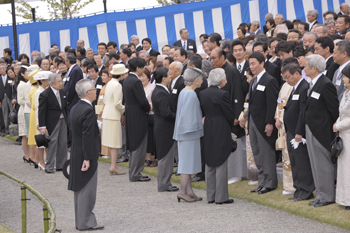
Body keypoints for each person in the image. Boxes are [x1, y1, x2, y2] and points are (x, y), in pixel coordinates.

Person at [304, 54, 339, 207]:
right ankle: (320, 194)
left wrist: (333, 130)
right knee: (315, 163)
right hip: (311, 128)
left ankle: (327, 196)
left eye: (305, 66)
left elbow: (333, 110)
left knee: (323, 164)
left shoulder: (325, 84)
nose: (303, 69)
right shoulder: (313, 83)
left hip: (322, 130)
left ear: (314, 68)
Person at [68, 79, 103, 231]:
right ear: (88, 93)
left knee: (81, 189)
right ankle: (86, 222)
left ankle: (81, 220)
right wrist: (88, 158)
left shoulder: (75, 107)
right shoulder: (87, 110)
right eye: (94, 89)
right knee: (87, 189)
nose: (96, 91)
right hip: (85, 153)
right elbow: (88, 136)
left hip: (77, 150)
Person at [243, 52, 279, 194]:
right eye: (250, 64)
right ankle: (262, 181)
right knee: (257, 152)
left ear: (262, 63)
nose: (251, 66)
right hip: (253, 121)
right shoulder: (253, 81)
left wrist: (269, 123)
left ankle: (270, 182)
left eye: (253, 63)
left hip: (264, 122)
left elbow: (272, 104)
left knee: (266, 153)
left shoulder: (269, 80)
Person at [199, 68, 235, 204]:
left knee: (210, 158)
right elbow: (229, 113)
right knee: (221, 159)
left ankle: (211, 195)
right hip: (220, 126)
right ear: (222, 79)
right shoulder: (223, 94)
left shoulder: (203, 93)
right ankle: (221, 197)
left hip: (208, 124)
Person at [282, 63, 315, 200]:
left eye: (288, 77)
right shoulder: (295, 88)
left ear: (297, 74)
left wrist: (299, 132)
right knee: (294, 161)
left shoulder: (303, 87)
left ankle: (306, 190)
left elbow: (302, 112)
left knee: (301, 162)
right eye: (284, 78)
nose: (286, 80)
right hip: (291, 130)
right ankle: (298, 189)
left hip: (298, 132)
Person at [173, 67, 204, 203]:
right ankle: (182, 191)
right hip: (188, 134)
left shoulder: (184, 91)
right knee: (186, 164)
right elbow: (188, 117)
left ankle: (189, 191)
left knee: (189, 162)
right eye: (201, 79)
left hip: (185, 133)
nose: (202, 82)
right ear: (196, 80)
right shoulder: (190, 94)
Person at [122, 58, 151, 182]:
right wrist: (148, 107)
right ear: (138, 68)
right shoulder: (135, 81)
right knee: (139, 143)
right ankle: (135, 173)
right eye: (143, 67)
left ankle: (133, 171)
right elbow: (142, 100)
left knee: (133, 144)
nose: (144, 69)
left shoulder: (127, 79)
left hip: (130, 113)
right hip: (138, 115)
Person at [151, 67, 179, 192]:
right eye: (168, 74)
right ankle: (164, 183)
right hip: (165, 128)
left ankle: (165, 182)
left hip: (163, 127)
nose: (170, 76)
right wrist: (179, 117)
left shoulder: (160, 90)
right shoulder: (161, 92)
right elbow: (166, 113)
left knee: (165, 156)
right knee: (165, 157)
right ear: (163, 78)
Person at [39, 73, 68, 174]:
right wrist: (42, 126)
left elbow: (65, 107)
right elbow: (41, 111)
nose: (61, 83)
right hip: (52, 121)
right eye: (59, 82)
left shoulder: (62, 92)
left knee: (63, 142)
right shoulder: (45, 94)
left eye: (61, 81)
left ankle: (61, 165)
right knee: (53, 142)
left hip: (63, 119)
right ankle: (49, 166)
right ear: (51, 83)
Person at [101, 64, 126, 175]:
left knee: (112, 142)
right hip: (113, 115)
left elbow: (106, 100)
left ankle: (113, 165)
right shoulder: (117, 85)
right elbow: (117, 103)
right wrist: (125, 110)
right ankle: (113, 166)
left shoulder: (110, 83)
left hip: (107, 114)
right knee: (114, 142)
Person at [334, 65, 350, 210]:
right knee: (344, 168)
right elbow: (342, 113)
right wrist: (337, 122)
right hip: (343, 136)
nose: (343, 79)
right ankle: (345, 199)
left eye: (345, 76)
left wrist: (339, 126)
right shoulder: (346, 93)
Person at [34, 71, 51, 170]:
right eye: (46, 80)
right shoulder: (38, 92)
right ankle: (40, 161)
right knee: (40, 142)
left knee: (47, 141)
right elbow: (37, 108)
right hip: (41, 120)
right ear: (42, 80)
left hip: (46, 118)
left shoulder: (45, 90)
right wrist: (38, 122)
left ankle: (47, 161)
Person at [140, 69, 157, 167]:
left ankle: (157, 158)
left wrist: (150, 105)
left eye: (143, 76)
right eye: (140, 76)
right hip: (143, 115)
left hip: (152, 114)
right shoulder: (138, 88)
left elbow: (155, 100)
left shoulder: (152, 87)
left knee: (154, 136)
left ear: (148, 77)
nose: (141, 78)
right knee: (147, 137)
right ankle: (148, 158)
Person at [16, 66, 30, 162]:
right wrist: (30, 102)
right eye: (27, 72)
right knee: (24, 134)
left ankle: (29, 155)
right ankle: (26, 155)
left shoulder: (26, 84)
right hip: (23, 111)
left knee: (28, 134)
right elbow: (20, 100)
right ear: (22, 74)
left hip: (27, 110)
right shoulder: (21, 85)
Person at [97, 69, 111, 158]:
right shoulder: (104, 86)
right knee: (102, 132)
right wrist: (98, 111)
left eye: (105, 75)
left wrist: (103, 110)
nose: (103, 77)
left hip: (106, 111)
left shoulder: (109, 86)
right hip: (100, 109)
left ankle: (108, 152)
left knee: (107, 132)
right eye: (102, 75)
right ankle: (103, 151)